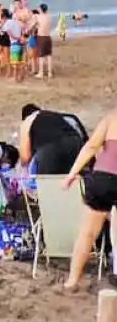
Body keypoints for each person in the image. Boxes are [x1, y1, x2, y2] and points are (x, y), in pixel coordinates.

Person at [62, 108, 117, 290]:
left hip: (102, 178)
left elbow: (92, 146)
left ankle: (72, 281)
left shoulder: (112, 117)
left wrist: (72, 174)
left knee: (87, 233)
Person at [18, 103, 86, 175]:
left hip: (50, 149)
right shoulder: (56, 115)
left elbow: (25, 157)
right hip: (76, 144)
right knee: (76, 180)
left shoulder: (28, 120)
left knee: (48, 183)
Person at [2, 9, 26, 82]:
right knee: (19, 61)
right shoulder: (18, 22)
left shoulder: (7, 23)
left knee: (15, 63)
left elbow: (9, 34)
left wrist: (16, 38)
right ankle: (21, 76)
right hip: (20, 44)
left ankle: (15, 78)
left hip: (14, 44)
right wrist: (20, 38)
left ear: (4, 18)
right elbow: (23, 31)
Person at [35, 4, 54, 79]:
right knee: (49, 56)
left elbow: (34, 24)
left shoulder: (38, 17)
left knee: (41, 56)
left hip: (41, 37)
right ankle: (50, 73)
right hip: (48, 37)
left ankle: (41, 72)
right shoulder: (49, 16)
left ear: (41, 9)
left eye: (39, 8)